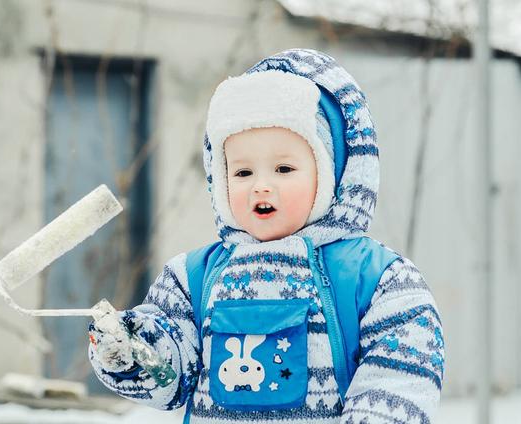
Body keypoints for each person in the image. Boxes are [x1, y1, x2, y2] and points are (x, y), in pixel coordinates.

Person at [88, 48, 444, 423]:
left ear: (332, 175)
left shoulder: (375, 278)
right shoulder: (192, 279)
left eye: (283, 168)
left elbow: (402, 372)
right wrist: (134, 353)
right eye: (242, 173)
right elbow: (170, 379)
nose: (261, 186)